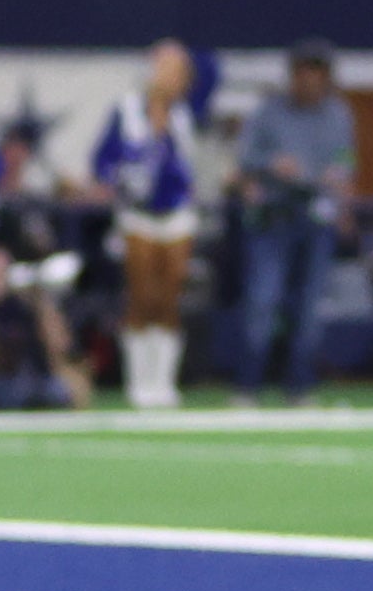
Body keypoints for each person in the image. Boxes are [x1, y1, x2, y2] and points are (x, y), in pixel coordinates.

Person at [231, 37, 357, 404]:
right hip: (275, 215)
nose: (310, 82)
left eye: (317, 74)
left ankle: (299, 388)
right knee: (263, 302)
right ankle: (248, 387)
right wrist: (272, 166)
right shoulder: (269, 112)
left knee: (310, 308)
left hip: (316, 217)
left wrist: (340, 179)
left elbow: (346, 161)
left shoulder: (338, 114)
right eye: (304, 73)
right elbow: (245, 162)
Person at [85, 38, 205, 411]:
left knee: (169, 298)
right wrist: (122, 177)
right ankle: (138, 382)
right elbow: (101, 161)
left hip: (176, 214)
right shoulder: (126, 111)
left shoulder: (186, 113)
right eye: (162, 68)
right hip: (137, 215)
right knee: (141, 297)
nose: (168, 76)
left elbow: (186, 166)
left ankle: (163, 381)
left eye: (176, 70)